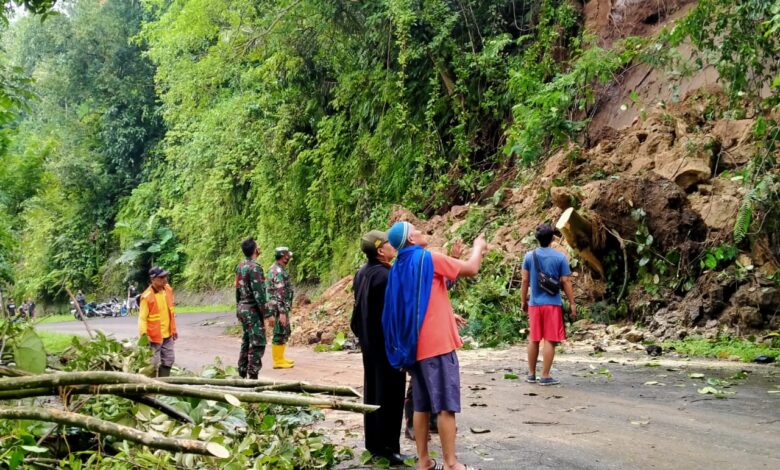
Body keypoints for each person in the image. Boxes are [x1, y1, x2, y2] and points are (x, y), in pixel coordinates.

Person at [383, 221, 486, 470]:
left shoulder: (399, 267)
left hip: (414, 348)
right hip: (437, 346)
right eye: (415, 229)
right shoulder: (427, 258)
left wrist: (454, 258)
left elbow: (430, 291)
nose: (421, 230)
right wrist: (478, 247)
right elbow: (471, 269)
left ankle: (423, 461)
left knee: (421, 406)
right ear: (410, 240)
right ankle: (451, 463)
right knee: (446, 407)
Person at [351, 230, 411, 466]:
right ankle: (389, 449)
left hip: (369, 345)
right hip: (387, 346)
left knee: (373, 392)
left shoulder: (361, 273)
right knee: (391, 397)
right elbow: (395, 314)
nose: (392, 246)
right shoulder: (387, 276)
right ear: (380, 251)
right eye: (388, 243)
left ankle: (374, 446)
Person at [521, 223, 576, 386]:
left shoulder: (529, 256)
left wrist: (523, 301)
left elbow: (524, 280)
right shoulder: (560, 258)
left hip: (535, 303)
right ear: (553, 238)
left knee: (534, 338)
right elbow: (566, 281)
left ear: (536, 239)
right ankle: (545, 375)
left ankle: (531, 374)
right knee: (550, 339)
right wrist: (572, 303)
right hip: (552, 304)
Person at [235, 237, 270, 379]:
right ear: (254, 249)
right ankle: (252, 376)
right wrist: (267, 314)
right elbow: (259, 294)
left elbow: (237, 289)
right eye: (258, 246)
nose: (259, 247)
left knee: (247, 339)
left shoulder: (240, 266)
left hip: (242, 307)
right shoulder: (254, 268)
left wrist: (238, 307)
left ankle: (242, 371)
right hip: (252, 310)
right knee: (258, 342)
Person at [138, 266, 177, 377]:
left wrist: (173, 329)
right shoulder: (147, 297)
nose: (164, 279)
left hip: (167, 334)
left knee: (169, 360)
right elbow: (142, 318)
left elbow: (170, 311)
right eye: (161, 277)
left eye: (165, 276)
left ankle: (163, 385)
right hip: (154, 337)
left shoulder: (168, 290)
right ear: (152, 280)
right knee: (152, 364)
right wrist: (144, 335)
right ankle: (148, 387)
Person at [267, 247, 294, 369]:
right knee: (279, 332)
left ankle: (281, 358)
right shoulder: (277, 271)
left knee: (284, 331)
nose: (289, 257)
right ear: (284, 256)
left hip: (280, 306)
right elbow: (279, 292)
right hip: (278, 308)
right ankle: (277, 361)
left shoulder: (277, 269)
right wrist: (282, 312)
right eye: (287, 255)